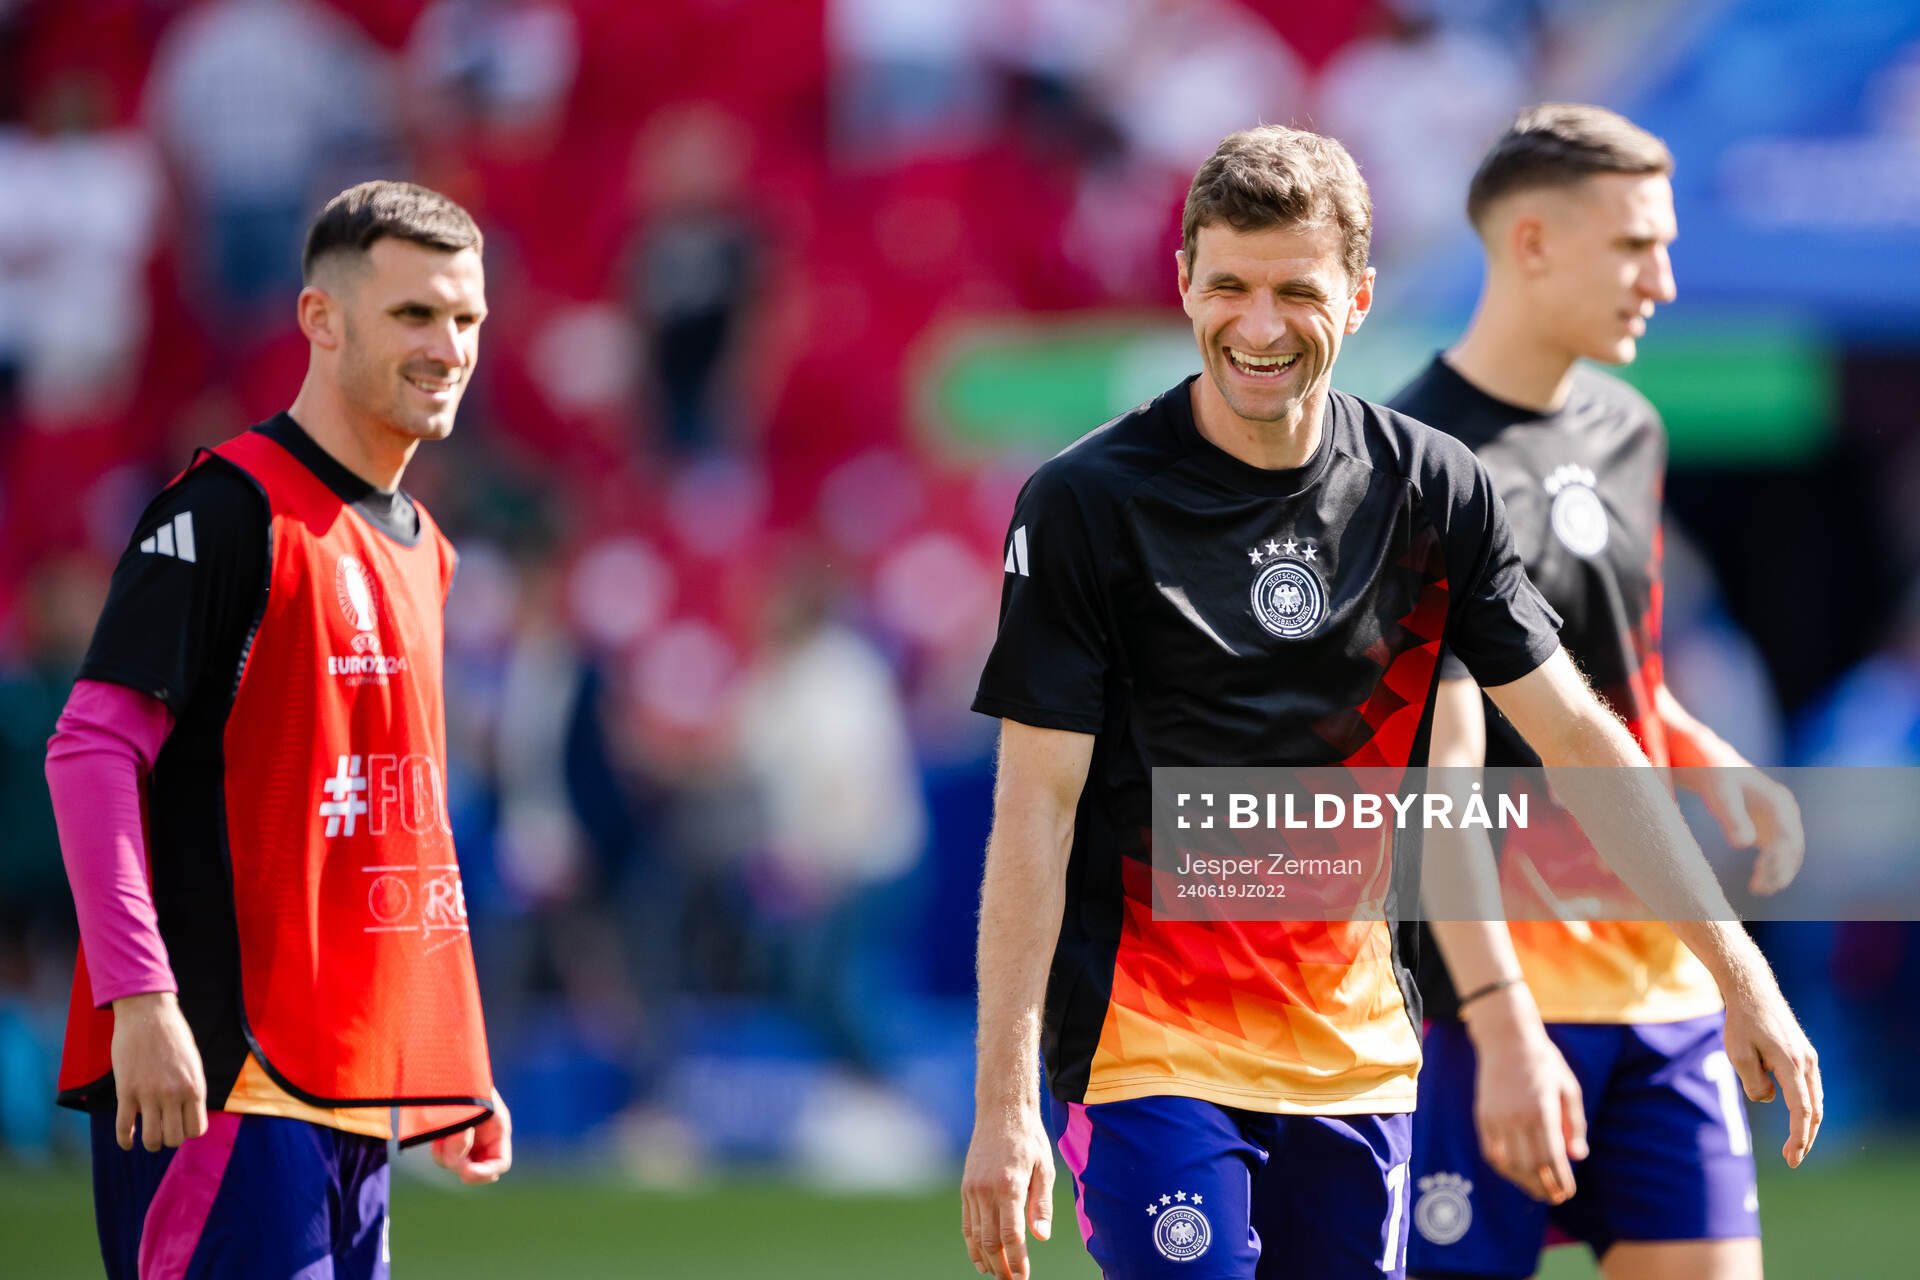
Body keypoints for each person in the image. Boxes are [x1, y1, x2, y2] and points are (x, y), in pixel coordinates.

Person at [959, 124, 1820, 1280]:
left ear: (1359, 298)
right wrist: (1004, 1097)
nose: (1258, 328)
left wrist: (1738, 969)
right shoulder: (1082, 504)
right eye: (1229, 287)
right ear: (1183, 283)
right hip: (1146, 1054)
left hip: (1363, 1059)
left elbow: (1577, 735)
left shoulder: (1432, 489)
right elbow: (1035, 811)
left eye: (1296, 293)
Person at [45, 180, 509, 1280]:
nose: (449, 346)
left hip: (353, 1090)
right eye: (414, 314)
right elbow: (91, 749)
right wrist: (141, 998)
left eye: (467, 319)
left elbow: (404, 824)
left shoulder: (425, 548)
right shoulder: (224, 511)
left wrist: (455, 1055)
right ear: (321, 318)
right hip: (220, 1073)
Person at [1389, 104, 1806, 1280]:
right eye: (1634, 246)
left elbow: (1618, 684)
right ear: (1530, 243)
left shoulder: (1631, 427)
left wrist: (1703, 752)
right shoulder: (1421, 461)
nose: (1663, 281)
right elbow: (1441, 776)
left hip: (1654, 975)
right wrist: (1500, 1019)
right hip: (1480, 999)